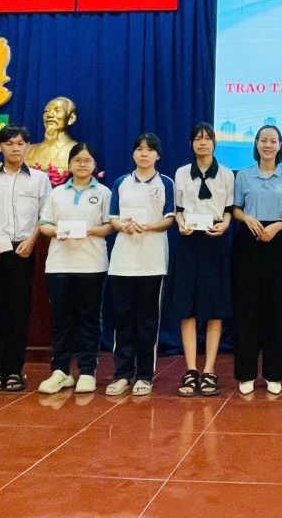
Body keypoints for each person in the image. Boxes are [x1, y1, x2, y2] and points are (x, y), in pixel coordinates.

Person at [0, 124, 51, 393]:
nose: (15, 148)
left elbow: (45, 216)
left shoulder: (39, 179)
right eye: (9, 143)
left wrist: (31, 241)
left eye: (20, 143)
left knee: (18, 312)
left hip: (22, 251)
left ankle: (15, 371)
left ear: (27, 146)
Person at [36, 143, 113, 394]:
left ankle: (87, 371)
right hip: (59, 264)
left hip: (92, 264)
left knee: (89, 319)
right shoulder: (57, 193)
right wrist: (59, 231)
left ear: (95, 165)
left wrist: (90, 231)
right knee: (62, 319)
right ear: (69, 164)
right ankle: (60, 371)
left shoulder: (103, 193)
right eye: (77, 160)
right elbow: (44, 225)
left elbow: (109, 226)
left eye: (87, 160)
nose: (82, 164)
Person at [231, 125, 282, 395]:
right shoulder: (243, 175)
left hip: (277, 241)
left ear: (280, 145)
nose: (268, 145)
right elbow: (235, 209)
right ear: (256, 144)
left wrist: (279, 226)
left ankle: (273, 374)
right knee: (246, 308)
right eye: (263, 140)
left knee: (275, 308)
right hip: (248, 242)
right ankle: (246, 373)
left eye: (273, 141)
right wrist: (246, 218)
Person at [105, 133, 175, 396]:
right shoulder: (121, 182)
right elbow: (113, 218)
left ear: (158, 155)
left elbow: (170, 218)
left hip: (153, 262)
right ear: (133, 154)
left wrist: (149, 226)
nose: (144, 154)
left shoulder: (165, 183)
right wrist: (123, 226)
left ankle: (144, 375)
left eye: (149, 149)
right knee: (123, 320)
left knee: (147, 321)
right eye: (139, 149)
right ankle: (122, 374)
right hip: (123, 262)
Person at [169, 123, 234, 397]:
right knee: (188, 307)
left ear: (215, 143)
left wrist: (226, 224)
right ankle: (191, 369)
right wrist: (180, 223)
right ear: (191, 143)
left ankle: (209, 370)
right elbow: (178, 209)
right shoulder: (181, 173)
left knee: (214, 307)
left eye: (208, 138)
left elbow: (229, 209)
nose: (203, 143)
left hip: (215, 241)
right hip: (189, 241)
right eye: (198, 138)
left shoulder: (227, 174)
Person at [25, 96, 78, 171]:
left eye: (57, 111)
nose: (50, 115)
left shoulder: (77, 151)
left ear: (71, 118)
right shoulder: (29, 150)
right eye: (47, 111)